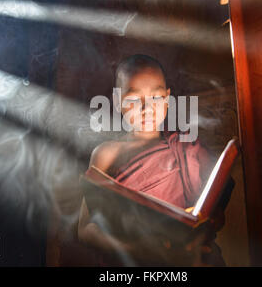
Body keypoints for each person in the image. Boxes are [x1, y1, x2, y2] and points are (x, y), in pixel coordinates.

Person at [78, 54, 226, 266]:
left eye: (156, 98)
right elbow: (86, 229)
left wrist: (205, 228)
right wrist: (139, 250)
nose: (147, 108)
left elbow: (216, 214)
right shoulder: (107, 154)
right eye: (134, 99)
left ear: (167, 99)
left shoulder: (185, 148)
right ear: (118, 101)